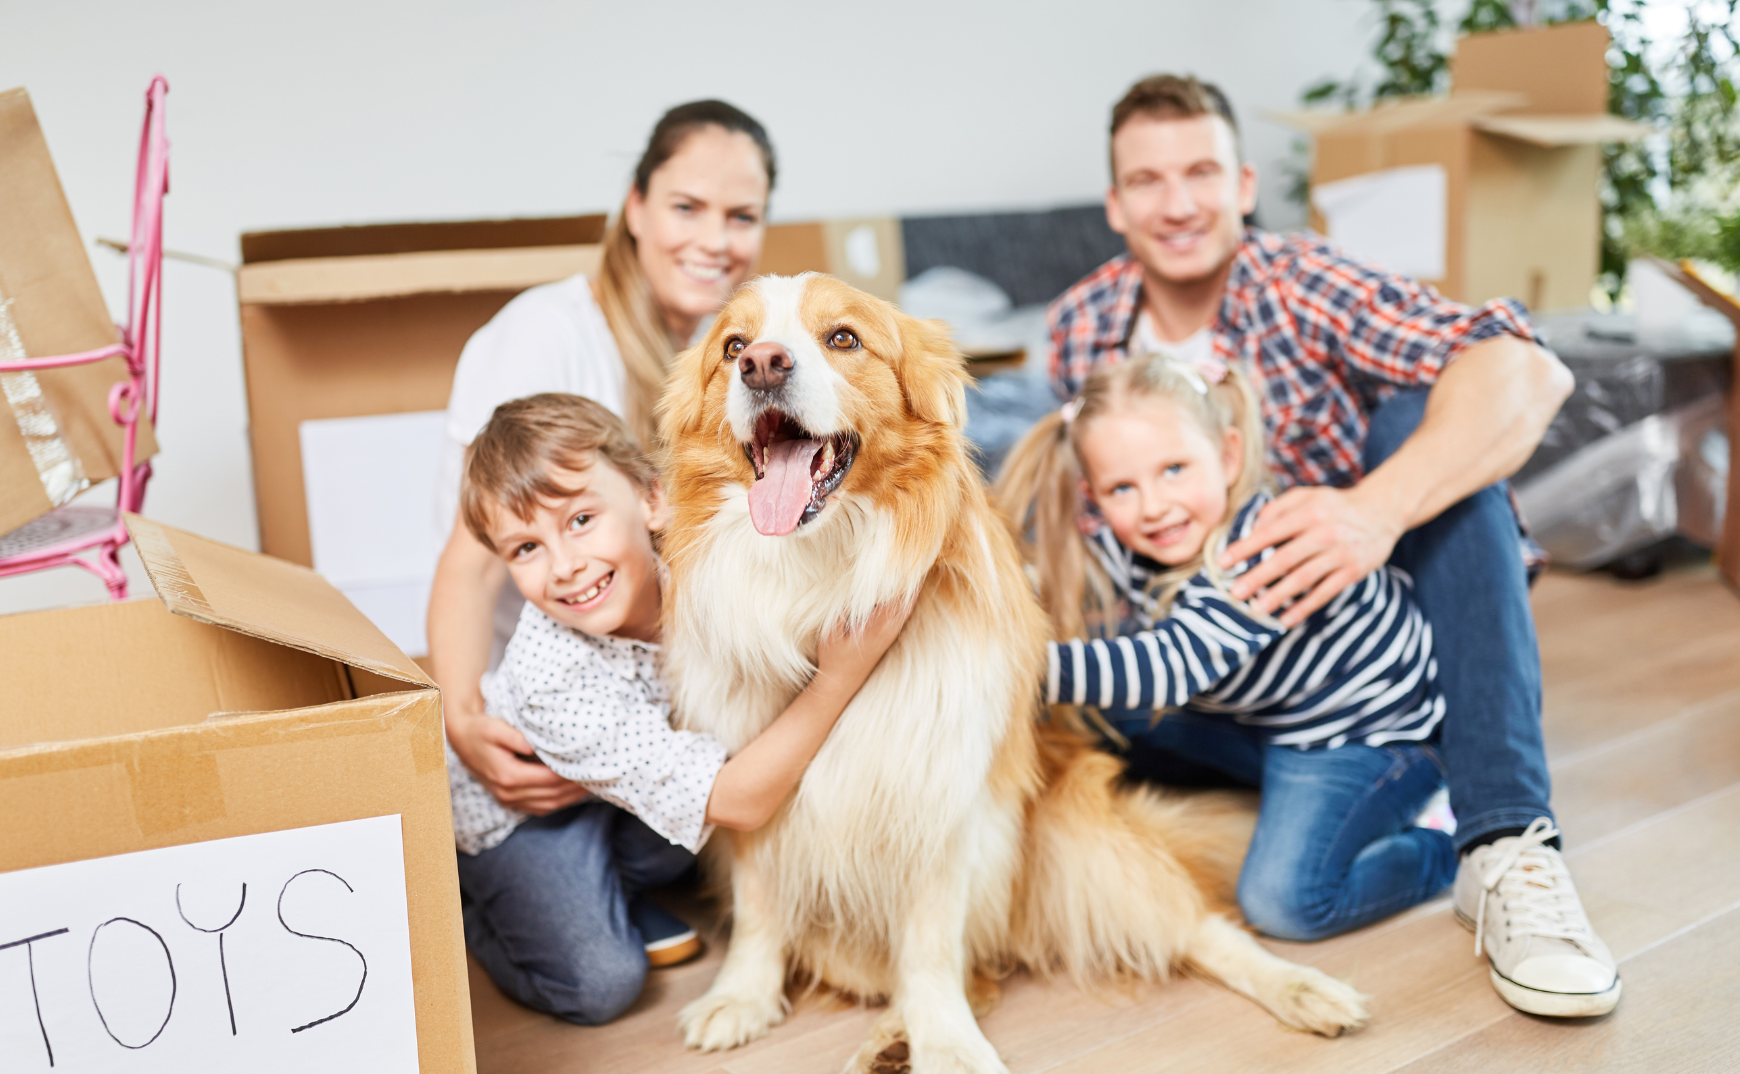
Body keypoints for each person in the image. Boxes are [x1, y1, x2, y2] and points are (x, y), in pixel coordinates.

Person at [1042, 74, 1616, 1018]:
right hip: (1238, 660)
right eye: (1147, 180)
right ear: (1114, 203)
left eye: (1201, 172)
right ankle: (1322, 792)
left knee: (1417, 414)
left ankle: (1501, 837)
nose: (1177, 203)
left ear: (1244, 185)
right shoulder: (1081, 330)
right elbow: (1096, 525)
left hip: (1366, 641)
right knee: (1113, 698)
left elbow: (1527, 368)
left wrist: (1373, 511)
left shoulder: (1301, 285)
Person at [448, 393, 911, 1025]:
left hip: (624, 787)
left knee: (700, 816)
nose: (565, 566)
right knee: (600, 982)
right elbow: (739, 801)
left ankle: (616, 885)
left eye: (581, 520)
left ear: (653, 499)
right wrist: (839, 676)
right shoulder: (550, 679)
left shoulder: (697, 562)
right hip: (522, 815)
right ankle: (480, 910)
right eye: (525, 549)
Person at [996, 350, 1457, 942]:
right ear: (1096, 497)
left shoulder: (1262, 546)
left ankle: (1443, 840)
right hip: (1262, 717)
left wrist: (1001, 665)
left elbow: (1167, 668)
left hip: (1366, 735)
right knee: (1117, 719)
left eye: (1174, 470)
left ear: (1229, 456)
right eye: (1122, 488)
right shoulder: (1139, 541)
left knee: (1285, 901)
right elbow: (1050, 587)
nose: (1155, 505)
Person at [429, 101, 775, 827]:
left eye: (741, 217)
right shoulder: (546, 335)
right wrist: (461, 721)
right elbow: (471, 561)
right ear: (637, 207)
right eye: (688, 207)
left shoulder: (727, 353)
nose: (715, 240)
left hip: (656, 696)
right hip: (556, 708)